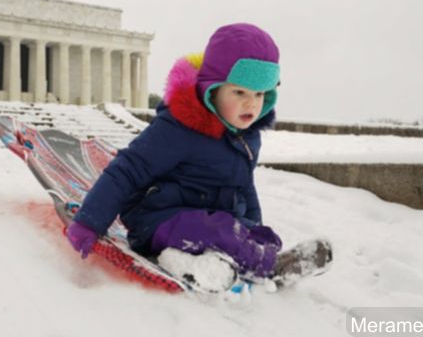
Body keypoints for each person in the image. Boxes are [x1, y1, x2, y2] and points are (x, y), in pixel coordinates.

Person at [67, 23, 288, 279]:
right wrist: (89, 221)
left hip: (215, 219)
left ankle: (255, 258)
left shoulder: (247, 138)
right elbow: (128, 169)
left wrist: (254, 226)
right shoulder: (178, 128)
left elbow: (244, 186)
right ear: (212, 90)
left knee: (259, 235)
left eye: (260, 94)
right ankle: (247, 265)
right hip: (158, 220)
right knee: (218, 230)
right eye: (239, 92)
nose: (252, 103)